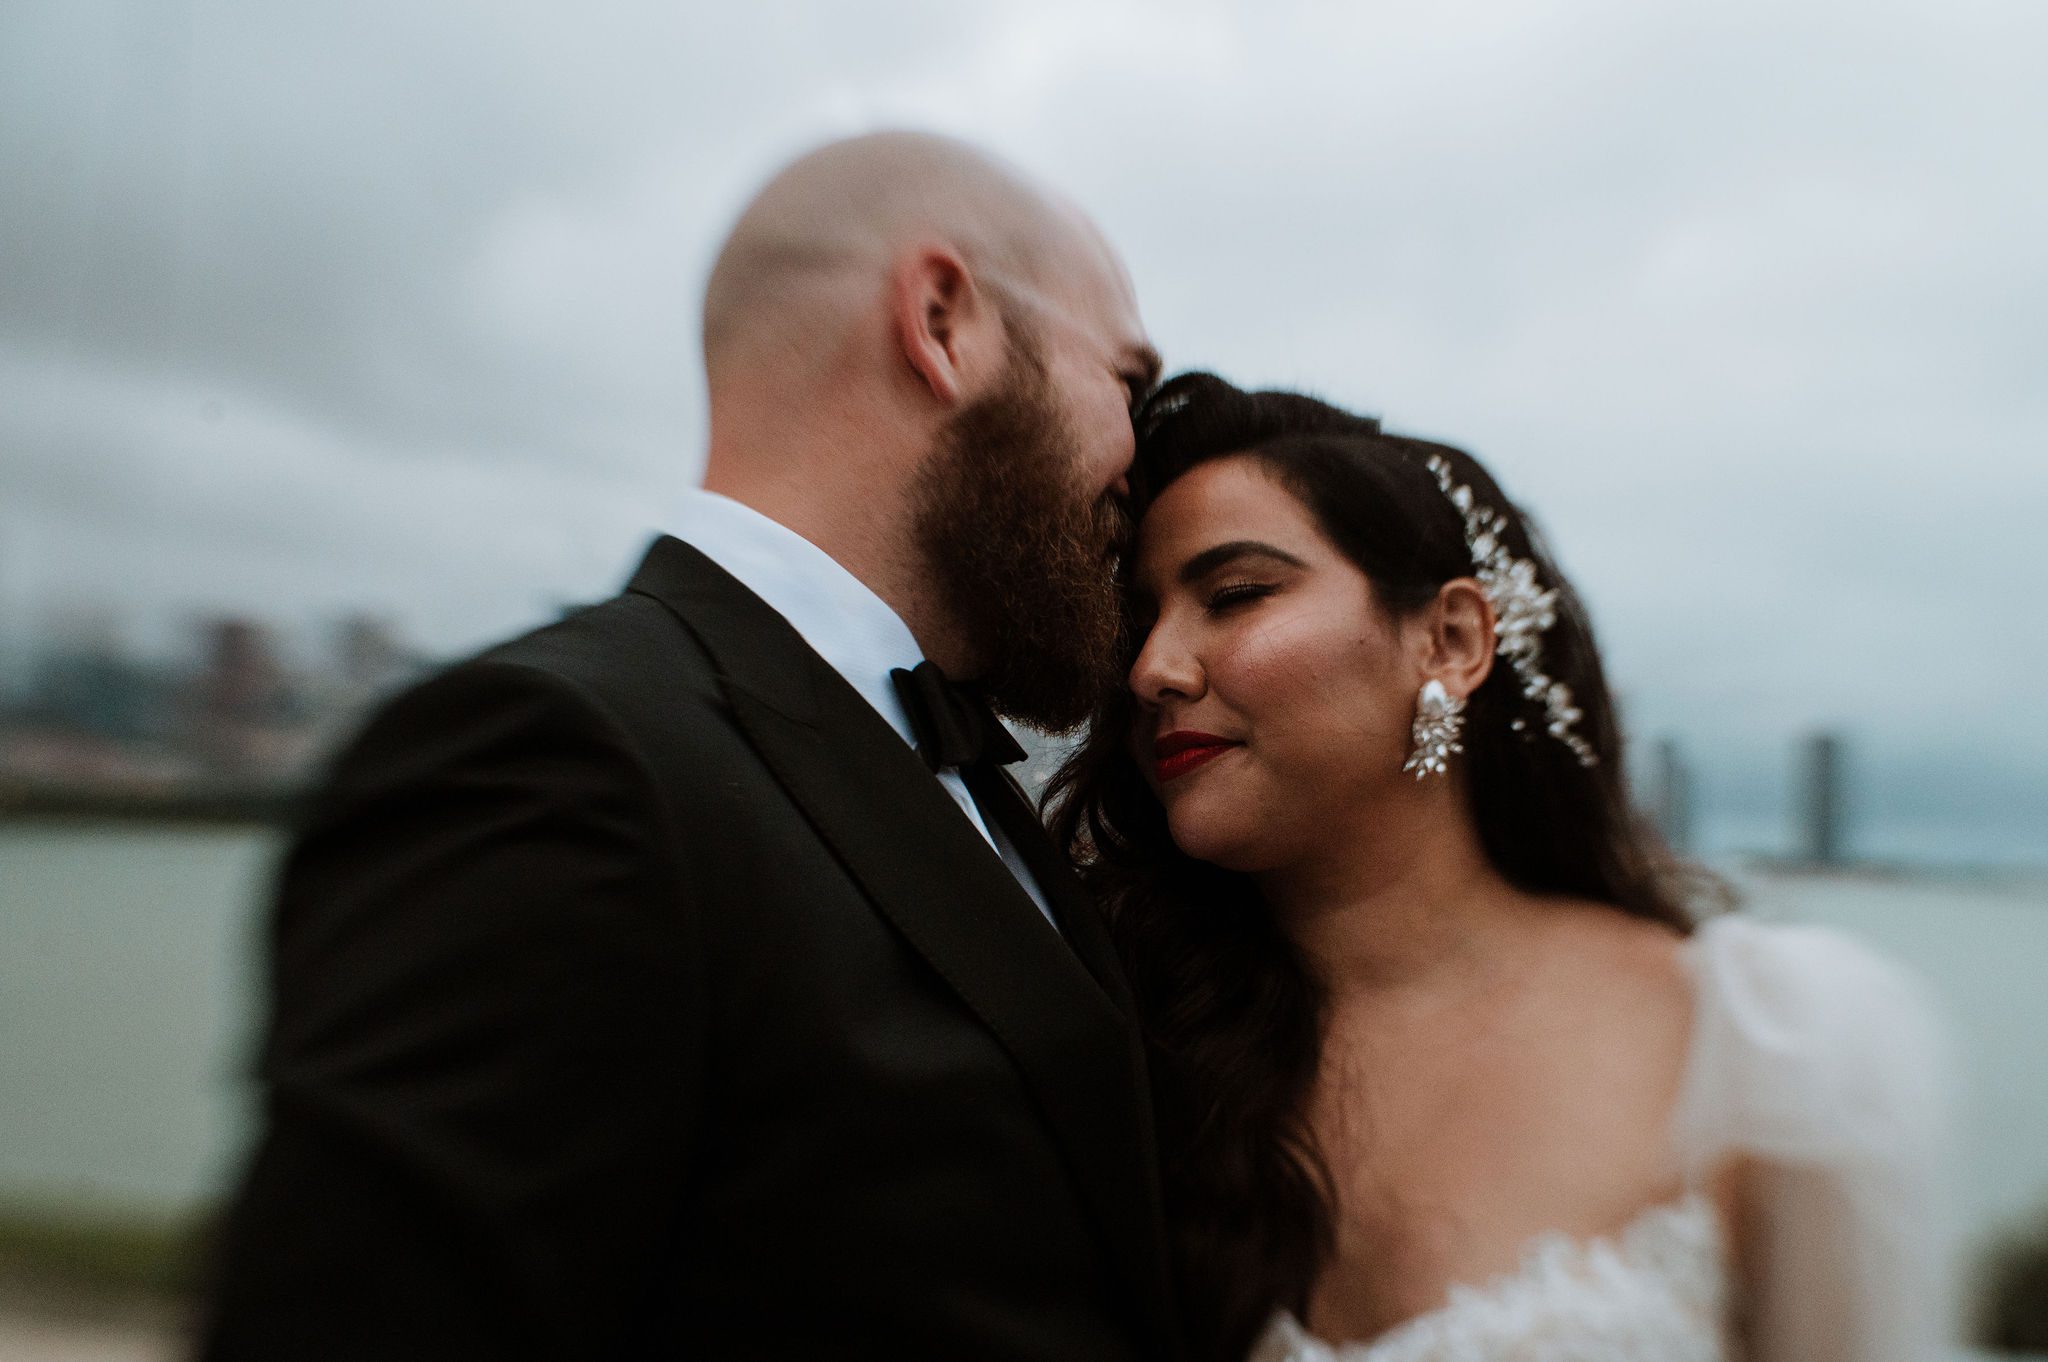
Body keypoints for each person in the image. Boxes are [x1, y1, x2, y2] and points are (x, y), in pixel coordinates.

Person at [196, 132, 1175, 1362]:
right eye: (1129, 387)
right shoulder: (555, 761)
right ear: (941, 321)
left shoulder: (973, 783)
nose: (1143, 464)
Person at [1050, 373, 1953, 1362]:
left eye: (1234, 595)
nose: (1151, 670)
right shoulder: (1115, 1036)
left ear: (1449, 639)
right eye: (1137, 625)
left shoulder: (1776, 1045)